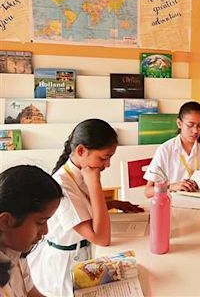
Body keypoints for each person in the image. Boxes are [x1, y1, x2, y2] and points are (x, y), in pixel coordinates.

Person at [28, 118, 143, 296]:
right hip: (64, 266)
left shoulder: (80, 171)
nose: (107, 164)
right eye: (104, 158)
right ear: (81, 150)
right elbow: (101, 238)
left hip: (82, 254)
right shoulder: (63, 185)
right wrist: (95, 183)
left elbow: (85, 206)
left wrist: (113, 203)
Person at [0, 165, 63, 297]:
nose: (45, 231)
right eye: (40, 222)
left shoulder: (16, 251)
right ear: (5, 221)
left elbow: (31, 293)